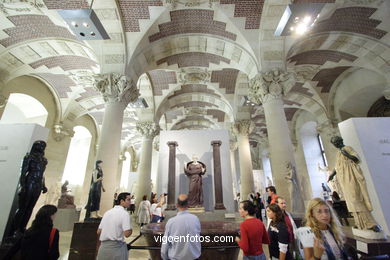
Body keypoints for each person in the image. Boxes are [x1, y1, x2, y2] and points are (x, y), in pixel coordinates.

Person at [330, 136, 380, 231]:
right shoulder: (338, 153)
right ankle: (359, 222)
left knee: (356, 198)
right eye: (334, 143)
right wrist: (332, 174)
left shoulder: (347, 148)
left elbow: (357, 159)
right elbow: (337, 166)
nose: (336, 144)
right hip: (344, 179)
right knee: (350, 201)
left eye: (337, 142)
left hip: (351, 176)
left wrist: (347, 155)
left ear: (341, 141)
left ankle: (370, 223)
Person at [10, 140, 48, 237]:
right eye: (40, 146)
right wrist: (22, 185)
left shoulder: (44, 160)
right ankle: (14, 230)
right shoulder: (29, 157)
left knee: (30, 208)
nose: (42, 147)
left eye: (43, 146)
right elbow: (23, 173)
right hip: (29, 182)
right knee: (23, 207)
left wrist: (43, 185)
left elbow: (42, 174)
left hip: (38, 184)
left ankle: (22, 228)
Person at [161, 194, 201, 260]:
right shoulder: (195, 219)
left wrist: (165, 258)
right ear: (188, 205)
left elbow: (165, 246)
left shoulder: (171, 222)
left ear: (177, 205)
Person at [97, 192, 132, 260]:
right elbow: (127, 234)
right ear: (122, 201)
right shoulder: (124, 214)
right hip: (116, 250)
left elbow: (98, 231)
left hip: (103, 248)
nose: (130, 202)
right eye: (128, 200)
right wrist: (131, 229)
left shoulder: (107, 212)